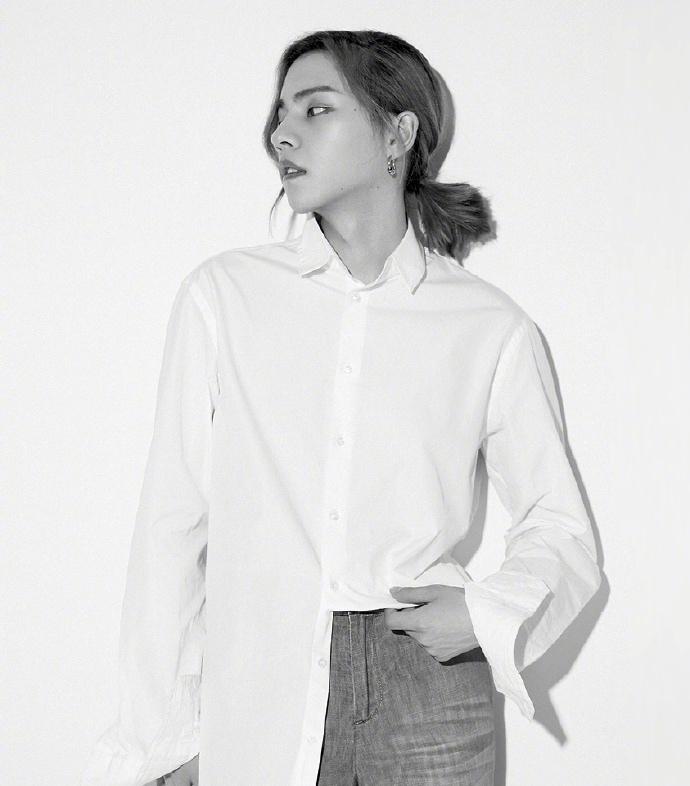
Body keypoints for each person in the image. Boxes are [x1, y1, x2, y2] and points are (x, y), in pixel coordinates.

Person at [81, 29, 601, 786]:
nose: (281, 134)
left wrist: (486, 614)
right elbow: (173, 523)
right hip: (261, 678)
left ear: (397, 133)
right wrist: (163, 733)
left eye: (316, 108)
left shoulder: (489, 327)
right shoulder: (225, 297)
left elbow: (560, 525)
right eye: (280, 113)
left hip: (426, 681)